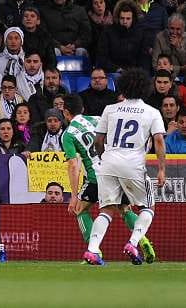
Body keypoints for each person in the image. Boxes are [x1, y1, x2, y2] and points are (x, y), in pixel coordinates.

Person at [61, 93, 155, 265]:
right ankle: (141, 240)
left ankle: (94, 251)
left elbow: (74, 165)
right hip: (117, 169)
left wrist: (73, 195)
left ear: (66, 113)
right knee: (124, 209)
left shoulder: (68, 134)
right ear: (82, 109)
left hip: (96, 176)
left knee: (80, 209)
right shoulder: (98, 119)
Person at [85, 68, 166, 265]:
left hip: (109, 162)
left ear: (123, 87)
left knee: (107, 209)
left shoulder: (110, 109)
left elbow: (98, 141)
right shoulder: (152, 112)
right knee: (148, 206)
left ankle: (92, 250)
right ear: (145, 88)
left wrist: (105, 157)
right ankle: (133, 242)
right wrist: (162, 169)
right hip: (133, 164)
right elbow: (159, 141)